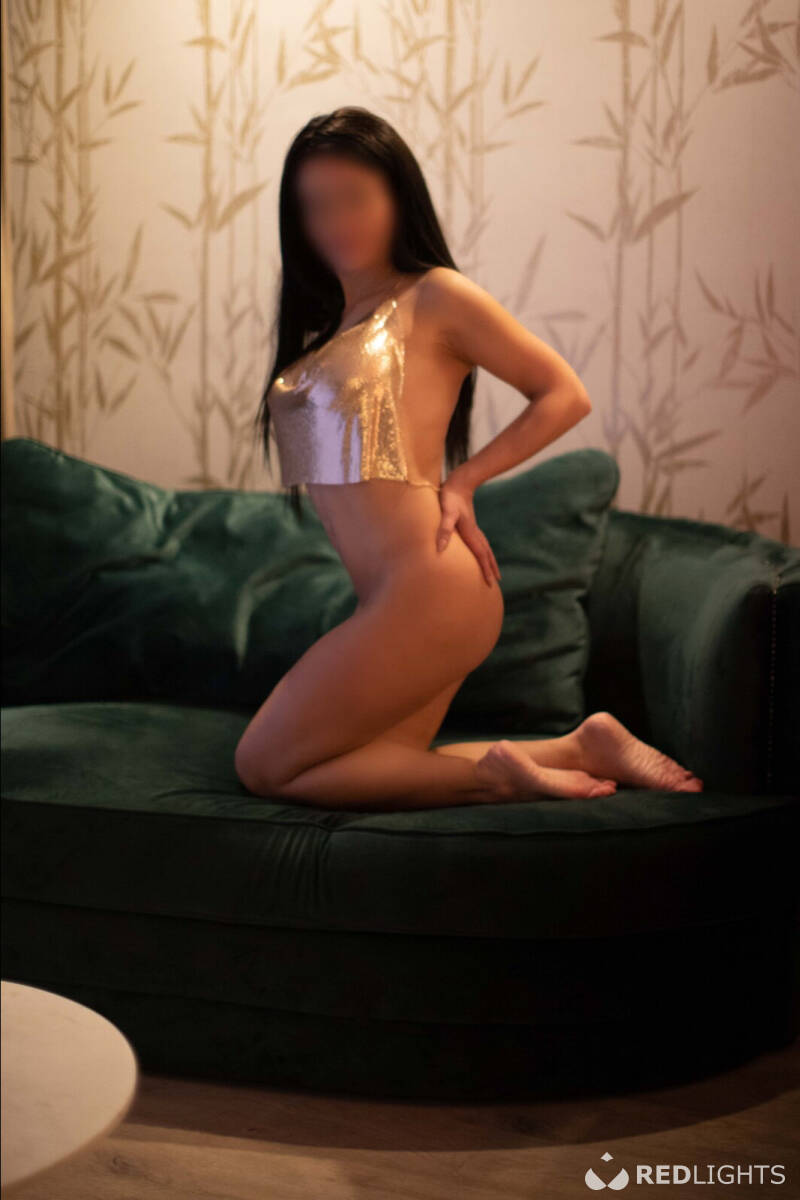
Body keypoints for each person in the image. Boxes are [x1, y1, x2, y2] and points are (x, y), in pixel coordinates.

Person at [234, 106, 703, 810]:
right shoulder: (331, 328)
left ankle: (494, 777)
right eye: (315, 205)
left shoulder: (433, 296)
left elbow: (563, 393)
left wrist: (465, 479)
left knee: (262, 764)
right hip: (398, 601)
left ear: (399, 197)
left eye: (355, 198)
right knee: (374, 765)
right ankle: (580, 748)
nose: (335, 221)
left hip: (431, 588)